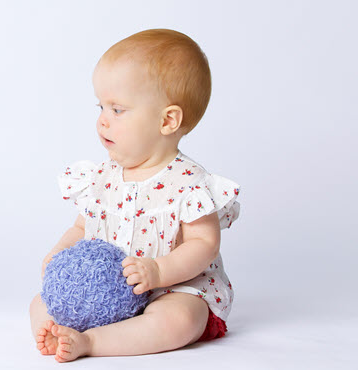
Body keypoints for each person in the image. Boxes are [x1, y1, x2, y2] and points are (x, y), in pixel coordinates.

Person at [30, 29, 240, 362]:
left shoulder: (189, 184)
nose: (102, 121)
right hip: (103, 294)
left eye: (118, 110)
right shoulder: (101, 178)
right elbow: (82, 229)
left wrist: (158, 272)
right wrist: (58, 254)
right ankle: (63, 332)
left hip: (168, 289)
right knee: (41, 302)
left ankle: (93, 343)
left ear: (167, 120)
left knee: (181, 319)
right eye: (101, 107)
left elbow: (204, 244)